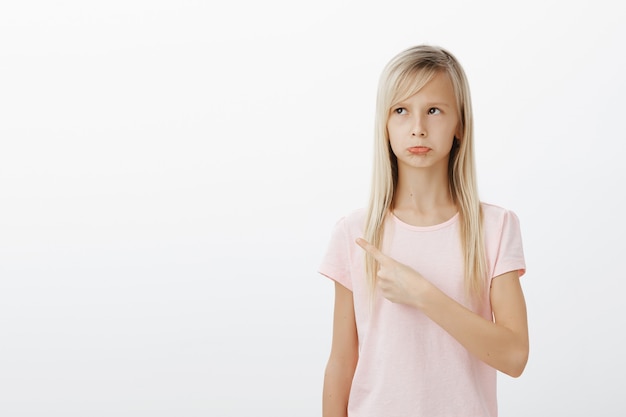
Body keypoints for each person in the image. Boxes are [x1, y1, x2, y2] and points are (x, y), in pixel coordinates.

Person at [318, 44, 528, 417]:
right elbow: (341, 364)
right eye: (401, 110)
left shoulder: (495, 228)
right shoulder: (355, 232)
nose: (417, 128)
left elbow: (514, 357)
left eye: (433, 110)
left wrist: (422, 294)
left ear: (459, 124)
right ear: (385, 124)